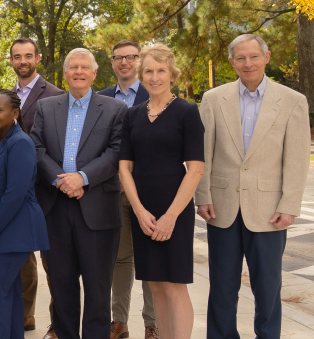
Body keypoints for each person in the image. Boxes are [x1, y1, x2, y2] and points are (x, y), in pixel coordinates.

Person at [196, 34, 310, 339]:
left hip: (269, 210)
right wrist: (203, 194)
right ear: (232, 62)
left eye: (254, 57)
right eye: (241, 58)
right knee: (221, 285)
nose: (248, 64)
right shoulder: (213, 99)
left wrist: (290, 205)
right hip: (221, 206)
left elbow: (297, 159)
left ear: (267, 57)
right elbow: (203, 153)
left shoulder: (292, 101)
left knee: (268, 287)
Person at [28, 48, 126, 339]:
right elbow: (36, 148)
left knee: (98, 289)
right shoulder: (47, 107)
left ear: (95, 73)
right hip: (56, 208)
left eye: (85, 67)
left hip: (97, 208)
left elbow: (117, 151)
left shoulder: (114, 109)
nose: (79, 72)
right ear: (66, 73)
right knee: (61, 286)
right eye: (74, 67)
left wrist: (82, 178)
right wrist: (61, 181)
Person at [116, 44, 204, 339]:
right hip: (144, 212)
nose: (155, 77)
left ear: (172, 74)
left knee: (174, 286)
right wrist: (139, 212)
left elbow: (195, 170)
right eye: (149, 71)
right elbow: (124, 168)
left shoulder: (186, 112)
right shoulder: (134, 115)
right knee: (154, 285)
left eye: (161, 71)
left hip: (174, 210)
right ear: (142, 75)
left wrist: (170, 217)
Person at [0, 89, 51, 339]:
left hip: (12, 233)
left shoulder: (20, 143)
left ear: (14, 113)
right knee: (9, 296)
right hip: (4, 232)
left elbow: (14, 194)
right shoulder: (0, 140)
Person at [96, 39, 158, 339]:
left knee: (150, 259)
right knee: (120, 260)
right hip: (116, 193)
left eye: (131, 57)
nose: (125, 63)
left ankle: (153, 324)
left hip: (150, 192)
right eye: (118, 58)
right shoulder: (101, 98)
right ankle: (118, 322)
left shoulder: (156, 94)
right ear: (111, 62)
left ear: (140, 60)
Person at [8, 37, 64, 335]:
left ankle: (59, 323)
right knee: (21, 257)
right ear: (11, 60)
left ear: (38, 58)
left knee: (54, 262)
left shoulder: (54, 95)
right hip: (15, 189)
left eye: (28, 55)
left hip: (45, 189)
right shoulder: (4, 96)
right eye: (17, 56)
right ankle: (25, 314)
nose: (23, 61)